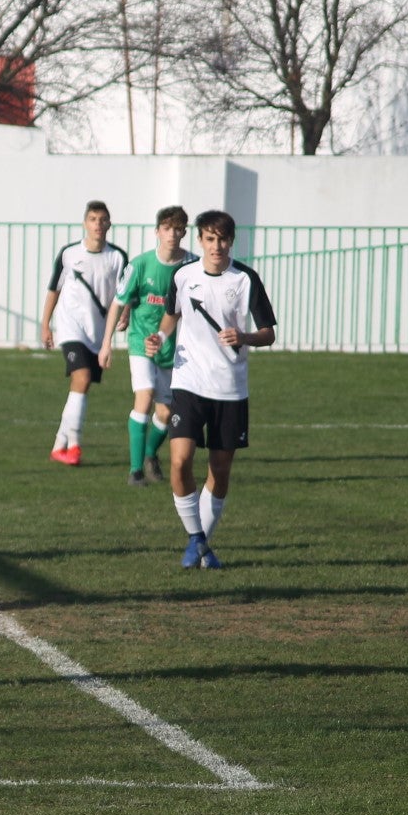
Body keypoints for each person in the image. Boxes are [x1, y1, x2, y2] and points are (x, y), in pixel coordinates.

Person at [146, 210, 277, 569]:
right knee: (179, 460)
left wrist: (245, 336)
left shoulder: (246, 279)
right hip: (188, 381)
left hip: (230, 389)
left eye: (222, 239)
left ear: (231, 241)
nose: (216, 246)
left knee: (219, 471)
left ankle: (199, 545)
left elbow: (269, 331)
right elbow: (172, 312)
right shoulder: (183, 275)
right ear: (200, 241)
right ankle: (197, 539)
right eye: (209, 238)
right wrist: (160, 335)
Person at [100, 205, 194, 486]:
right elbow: (118, 301)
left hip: (174, 347)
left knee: (166, 412)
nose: (172, 234)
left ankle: (151, 454)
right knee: (144, 397)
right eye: (167, 228)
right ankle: (135, 470)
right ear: (157, 232)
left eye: (178, 229)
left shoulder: (190, 266)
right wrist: (106, 345)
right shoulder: (140, 265)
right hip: (141, 341)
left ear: (184, 232)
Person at [40, 200, 128, 466]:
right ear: (84, 223)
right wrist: (45, 324)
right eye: (92, 219)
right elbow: (54, 289)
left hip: (98, 331)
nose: (97, 225)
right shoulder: (69, 253)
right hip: (71, 326)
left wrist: (127, 313)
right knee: (83, 376)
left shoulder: (118, 257)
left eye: (102, 220)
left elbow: (125, 294)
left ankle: (59, 444)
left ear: (109, 224)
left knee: (82, 386)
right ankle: (75, 445)